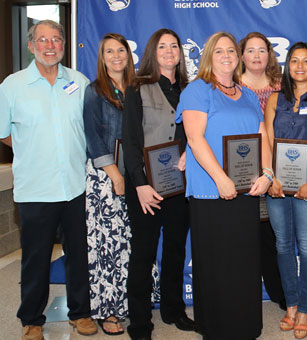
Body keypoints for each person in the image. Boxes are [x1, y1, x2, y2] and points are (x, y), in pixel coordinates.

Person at [0, 20, 97, 340]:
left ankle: (80, 313)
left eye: (56, 40)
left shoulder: (79, 82)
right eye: (42, 40)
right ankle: (32, 319)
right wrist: (32, 148)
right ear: (31, 46)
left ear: (64, 46)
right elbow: (4, 134)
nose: (50, 45)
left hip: (74, 185)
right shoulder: (12, 86)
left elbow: (90, 128)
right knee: (35, 258)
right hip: (35, 188)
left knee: (78, 256)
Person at [178, 31, 272, 340]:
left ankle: (246, 326)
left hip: (246, 191)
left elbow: (261, 137)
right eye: (219, 51)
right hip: (210, 191)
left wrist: (268, 173)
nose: (226, 55)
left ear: (239, 56)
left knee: (243, 263)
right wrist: (221, 178)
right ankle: (216, 329)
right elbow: (194, 138)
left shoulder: (246, 94)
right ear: (208, 57)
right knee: (216, 264)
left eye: (231, 50)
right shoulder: (198, 90)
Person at [122, 28, 193, 340]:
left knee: (176, 250)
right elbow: (132, 140)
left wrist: (191, 152)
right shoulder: (137, 88)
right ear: (153, 52)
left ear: (180, 52)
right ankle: (139, 322)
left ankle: (173, 310)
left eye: (173, 46)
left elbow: (198, 133)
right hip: (146, 188)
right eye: (162, 46)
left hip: (179, 187)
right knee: (143, 254)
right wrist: (139, 184)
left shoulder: (191, 89)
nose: (168, 51)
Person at [265, 42, 307, 339]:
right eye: (295, 60)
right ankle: (291, 304)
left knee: (306, 247)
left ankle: (306, 308)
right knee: (282, 245)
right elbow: (267, 141)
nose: (300, 66)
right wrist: (270, 177)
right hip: (277, 186)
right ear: (287, 65)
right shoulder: (273, 100)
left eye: (306, 61)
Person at [83, 32, 135, 335]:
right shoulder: (94, 91)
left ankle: (127, 303)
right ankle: (108, 310)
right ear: (102, 58)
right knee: (107, 246)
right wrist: (115, 175)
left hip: (135, 177)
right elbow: (93, 137)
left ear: (128, 55)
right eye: (109, 52)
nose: (116, 56)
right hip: (107, 179)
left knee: (129, 244)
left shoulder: (137, 89)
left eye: (121, 51)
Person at [239, 31, 286, 311]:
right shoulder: (231, 87)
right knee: (243, 234)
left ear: (269, 54)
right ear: (241, 55)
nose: (257, 55)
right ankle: (243, 292)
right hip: (241, 169)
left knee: (271, 234)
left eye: (262, 50)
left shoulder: (281, 87)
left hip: (276, 168)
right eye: (251, 50)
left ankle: (279, 291)